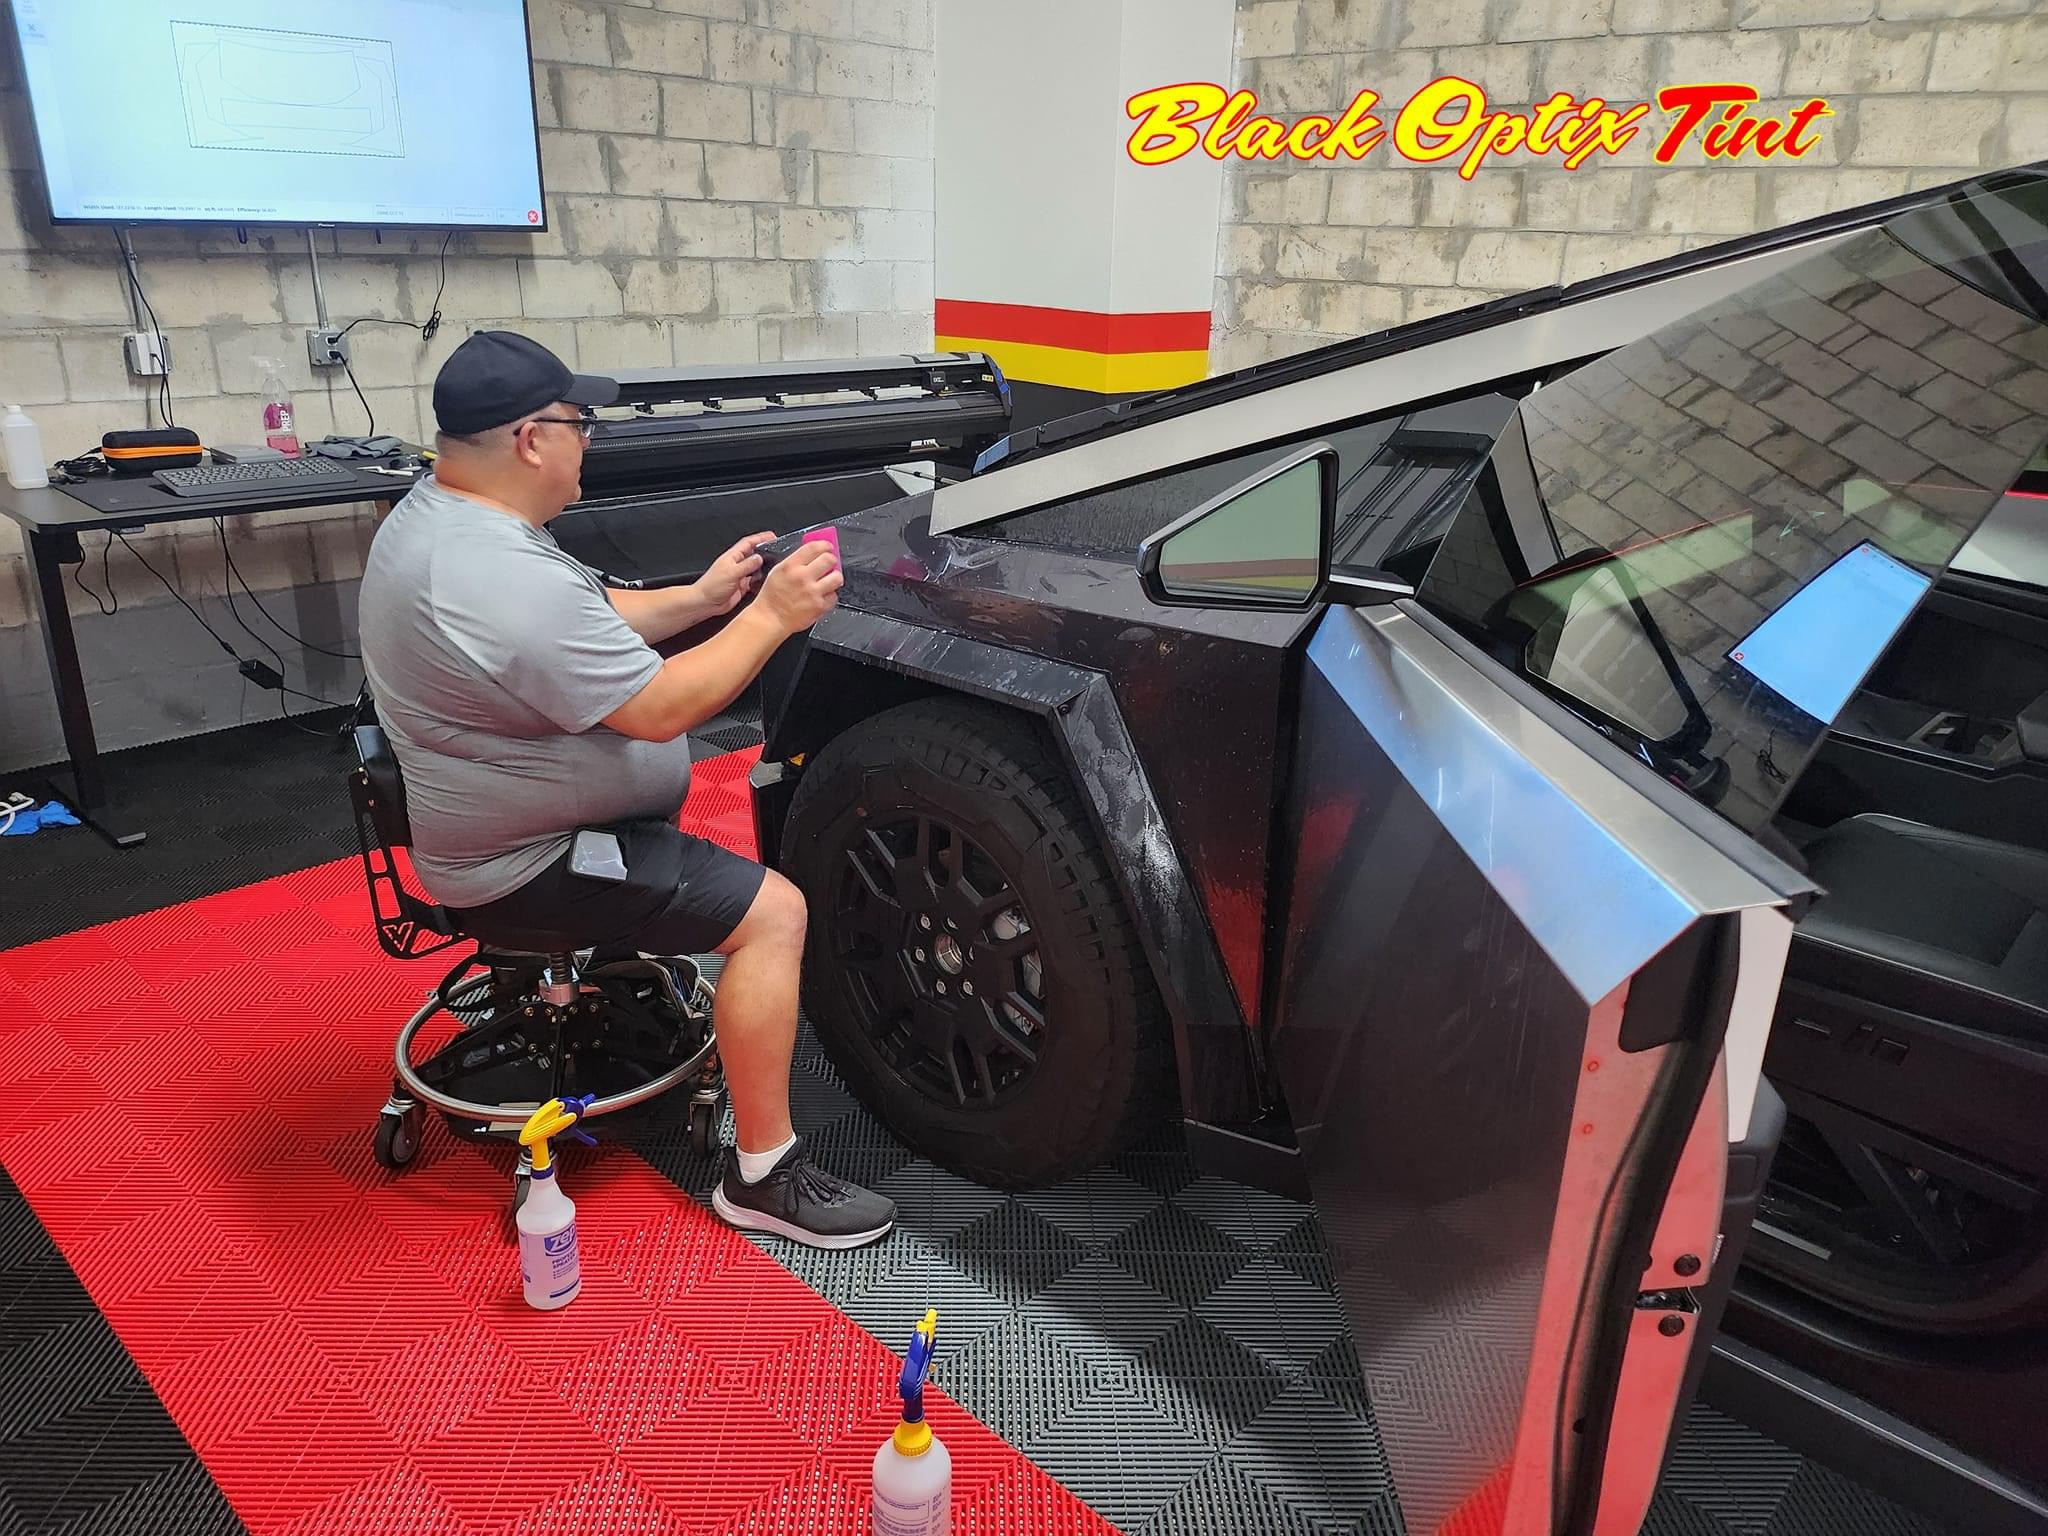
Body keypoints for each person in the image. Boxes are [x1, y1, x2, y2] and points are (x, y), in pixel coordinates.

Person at [358, 330, 895, 1248]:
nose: (589, 442)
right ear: (531, 439)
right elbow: (660, 709)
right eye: (580, 424)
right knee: (776, 916)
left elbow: (585, 616)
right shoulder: (488, 572)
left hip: (491, 826)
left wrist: (704, 600)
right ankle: (762, 1176)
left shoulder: (444, 515)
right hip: (529, 863)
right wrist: (772, 616)